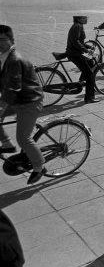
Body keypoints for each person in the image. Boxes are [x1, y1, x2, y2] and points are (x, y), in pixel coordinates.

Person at [0, 25, 46, 184]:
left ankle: (40, 167)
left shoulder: (14, 59)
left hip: (30, 101)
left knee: (23, 138)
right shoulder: (4, 56)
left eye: (2, 40)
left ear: (11, 41)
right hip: (19, 99)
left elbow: (13, 87)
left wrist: (1, 107)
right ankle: (6, 144)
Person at [66, 15, 97, 103]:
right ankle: (89, 98)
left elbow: (80, 42)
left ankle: (81, 82)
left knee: (90, 63)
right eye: (85, 17)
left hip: (74, 52)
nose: (87, 19)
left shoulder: (78, 25)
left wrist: (88, 47)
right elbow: (75, 41)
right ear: (79, 19)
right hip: (74, 54)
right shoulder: (77, 26)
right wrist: (86, 50)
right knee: (90, 75)